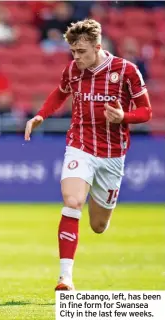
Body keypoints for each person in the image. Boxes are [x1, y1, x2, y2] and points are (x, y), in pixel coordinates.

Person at [24, 19, 152, 291]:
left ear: (98, 47)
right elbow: (59, 95)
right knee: (72, 201)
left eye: (81, 52)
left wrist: (123, 117)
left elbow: (146, 111)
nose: (76, 57)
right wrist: (40, 115)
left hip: (113, 154)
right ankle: (65, 278)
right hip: (80, 145)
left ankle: (99, 204)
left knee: (98, 225)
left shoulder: (126, 70)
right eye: (73, 52)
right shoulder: (72, 70)